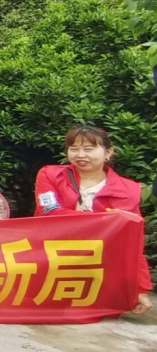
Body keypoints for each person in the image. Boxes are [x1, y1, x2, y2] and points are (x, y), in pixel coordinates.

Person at [33, 125, 152, 315]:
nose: (80, 155)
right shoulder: (50, 174)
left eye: (89, 149)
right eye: (74, 149)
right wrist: (106, 220)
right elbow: (51, 212)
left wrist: (140, 288)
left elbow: (131, 242)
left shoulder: (128, 190)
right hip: (48, 261)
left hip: (95, 271)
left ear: (108, 152)